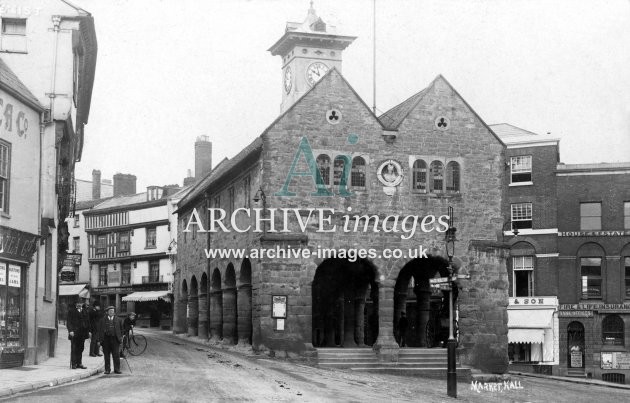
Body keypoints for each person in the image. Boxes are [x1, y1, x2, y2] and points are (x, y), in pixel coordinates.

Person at [97, 306, 123, 374]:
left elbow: (122, 330)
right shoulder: (102, 320)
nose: (112, 312)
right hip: (106, 339)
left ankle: (117, 369)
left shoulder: (119, 320)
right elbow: (99, 331)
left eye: (113, 311)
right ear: (107, 312)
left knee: (116, 354)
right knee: (106, 355)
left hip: (115, 339)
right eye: (110, 311)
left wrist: (120, 338)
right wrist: (99, 340)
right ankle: (107, 369)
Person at [67, 300, 91, 369]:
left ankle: (79, 363)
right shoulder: (71, 311)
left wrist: (89, 331)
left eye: (80, 303)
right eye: (78, 303)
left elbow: (88, 322)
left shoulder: (85, 311)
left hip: (82, 333)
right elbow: (69, 322)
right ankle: (74, 364)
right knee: (74, 348)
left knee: (81, 348)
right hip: (74, 333)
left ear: (82, 304)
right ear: (75, 304)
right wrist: (70, 330)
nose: (79, 304)